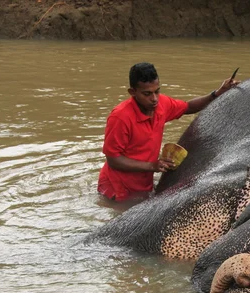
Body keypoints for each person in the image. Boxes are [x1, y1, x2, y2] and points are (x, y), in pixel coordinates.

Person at [97, 62, 239, 202]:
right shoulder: (120, 117)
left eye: (157, 91)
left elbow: (188, 107)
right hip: (117, 189)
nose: (154, 99)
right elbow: (113, 160)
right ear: (132, 92)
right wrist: (152, 166)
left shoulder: (161, 104)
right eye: (147, 94)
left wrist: (217, 93)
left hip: (143, 183)